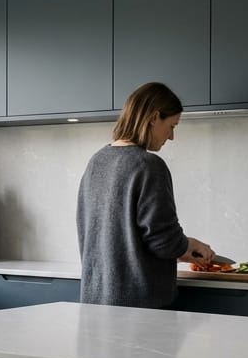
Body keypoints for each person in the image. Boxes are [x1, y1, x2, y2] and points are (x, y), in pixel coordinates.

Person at [76, 81, 215, 309]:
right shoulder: (149, 165)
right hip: (141, 308)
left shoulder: (97, 161)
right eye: (172, 126)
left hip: (95, 302)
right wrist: (187, 245)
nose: (171, 137)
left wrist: (182, 250)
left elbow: (118, 235)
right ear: (153, 117)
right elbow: (163, 240)